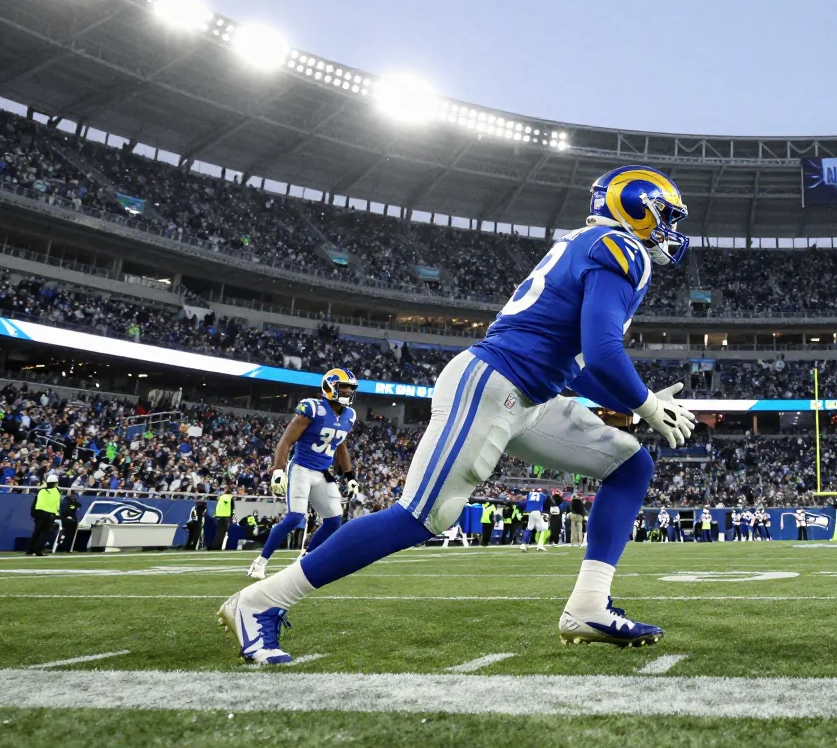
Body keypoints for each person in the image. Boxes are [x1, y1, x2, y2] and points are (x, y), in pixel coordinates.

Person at [220, 165, 697, 664]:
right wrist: (645, 403)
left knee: (630, 464)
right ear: (635, 207)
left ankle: (589, 605)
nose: (670, 229)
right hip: (493, 386)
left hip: (527, 394)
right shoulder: (621, 249)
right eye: (666, 215)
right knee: (422, 517)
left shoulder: (590, 244)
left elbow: (574, 367)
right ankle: (260, 600)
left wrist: (640, 400)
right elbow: (601, 353)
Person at [248, 370, 358, 579]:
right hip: (301, 469)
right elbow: (286, 441)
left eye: (351, 388)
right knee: (294, 517)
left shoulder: (349, 415)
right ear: (329, 387)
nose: (348, 391)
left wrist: (350, 476)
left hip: (323, 473)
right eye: (343, 386)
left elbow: (341, 448)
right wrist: (278, 469)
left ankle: (305, 559)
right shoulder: (312, 408)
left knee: (334, 520)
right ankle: (259, 563)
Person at [28, 473, 61, 556]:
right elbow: (55, 504)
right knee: (44, 533)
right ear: (55, 483)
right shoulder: (56, 491)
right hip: (49, 514)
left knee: (37, 531)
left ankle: (30, 550)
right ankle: (38, 550)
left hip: (38, 512)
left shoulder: (42, 491)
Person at [58, 486, 81, 553]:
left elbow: (78, 505)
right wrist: (69, 516)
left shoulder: (71, 500)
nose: (75, 496)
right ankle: (67, 548)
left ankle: (70, 547)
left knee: (73, 526)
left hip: (69, 518)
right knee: (71, 528)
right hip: (65, 519)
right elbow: (65, 511)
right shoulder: (66, 500)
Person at [213, 488, 234, 552]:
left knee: (218, 532)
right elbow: (232, 509)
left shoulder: (221, 498)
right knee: (223, 534)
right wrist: (231, 518)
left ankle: (215, 546)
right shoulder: (230, 498)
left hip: (218, 516)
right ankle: (218, 547)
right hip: (225, 517)